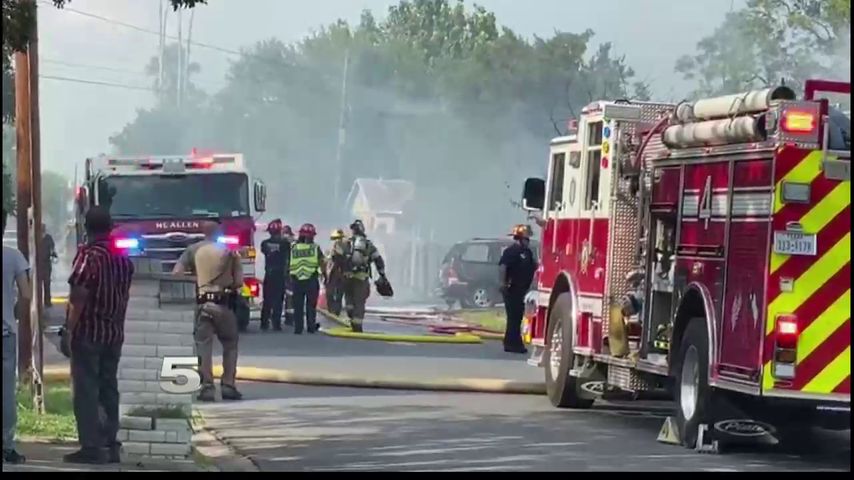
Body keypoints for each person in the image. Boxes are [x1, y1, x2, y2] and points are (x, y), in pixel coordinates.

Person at [64, 207, 135, 464]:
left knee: (86, 390)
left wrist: (68, 329)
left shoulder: (88, 256)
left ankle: (91, 446)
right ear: (111, 226)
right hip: (114, 334)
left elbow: (78, 296)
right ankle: (110, 443)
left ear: (86, 227)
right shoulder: (123, 259)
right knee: (108, 388)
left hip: (89, 333)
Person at [173, 221, 243, 402]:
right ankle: (228, 385)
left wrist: (198, 281)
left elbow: (177, 274)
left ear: (203, 232)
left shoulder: (193, 250)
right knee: (230, 344)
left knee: (203, 346)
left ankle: (207, 387)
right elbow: (238, 282)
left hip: (202, 305)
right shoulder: (229, 252)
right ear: (219, 232)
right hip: (223, 305)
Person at [2, 209, 31, 465]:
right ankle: (7, 445)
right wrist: (15, 316)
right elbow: (26, 294)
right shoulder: (13, 257)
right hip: (5, 333)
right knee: (6, 391)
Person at [337, 219, 386, 333]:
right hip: (361, 277)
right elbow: (378, 260)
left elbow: (337, 259)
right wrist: (382, 275)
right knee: (359, 301)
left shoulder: (345, 243)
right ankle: (357, 325)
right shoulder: (368, 245)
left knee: (349, 298)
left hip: (346, 277)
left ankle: (350, 313)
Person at [499, 224, 537, 354]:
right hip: (511, 288)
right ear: (520, 239)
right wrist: (503, 284)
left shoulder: (527, 253)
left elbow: (533, 267)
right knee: (513, 316)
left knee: (518, 316)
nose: (528, 242)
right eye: (526, 239)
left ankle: (511, 341)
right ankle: (513, 343)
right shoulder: (511, 251)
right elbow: (503, 267)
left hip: (522, 289)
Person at [289, 224, 326, 334]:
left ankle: (298, 328)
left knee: (298, 306)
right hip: (311, 280)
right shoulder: (315, 248)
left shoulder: (293, 247)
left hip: (296, 280)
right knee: (311, 306)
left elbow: (288, 262)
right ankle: (310, 326)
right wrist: (325, 275)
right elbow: (322, 262)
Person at [259, 219, 290, 332]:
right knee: (278, 300)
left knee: (267, 299)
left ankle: (264, 323)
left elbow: (264, 252)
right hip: (280, 274)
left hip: (269, 273)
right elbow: (288, 255)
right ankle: (276, 324)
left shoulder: (264, 243)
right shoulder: (285, 243)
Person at [325, 229, 347, 316]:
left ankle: (336, 311)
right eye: (336, 238)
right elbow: (326, 262)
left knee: (339, 294)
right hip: (331, 274)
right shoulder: (330, 250)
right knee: (329, 293)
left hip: (341, 274)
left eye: (340, 238)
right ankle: (331, 309)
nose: (338, 240)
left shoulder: (345, 249)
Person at [40, 224, 58, 308]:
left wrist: (53, 253)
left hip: (46, 263)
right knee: (38, 284)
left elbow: (52, 248)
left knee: (47, 283)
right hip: (38, 264)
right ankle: (39, 301)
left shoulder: (48, 238)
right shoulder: (35, 237)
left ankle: (47, 301)